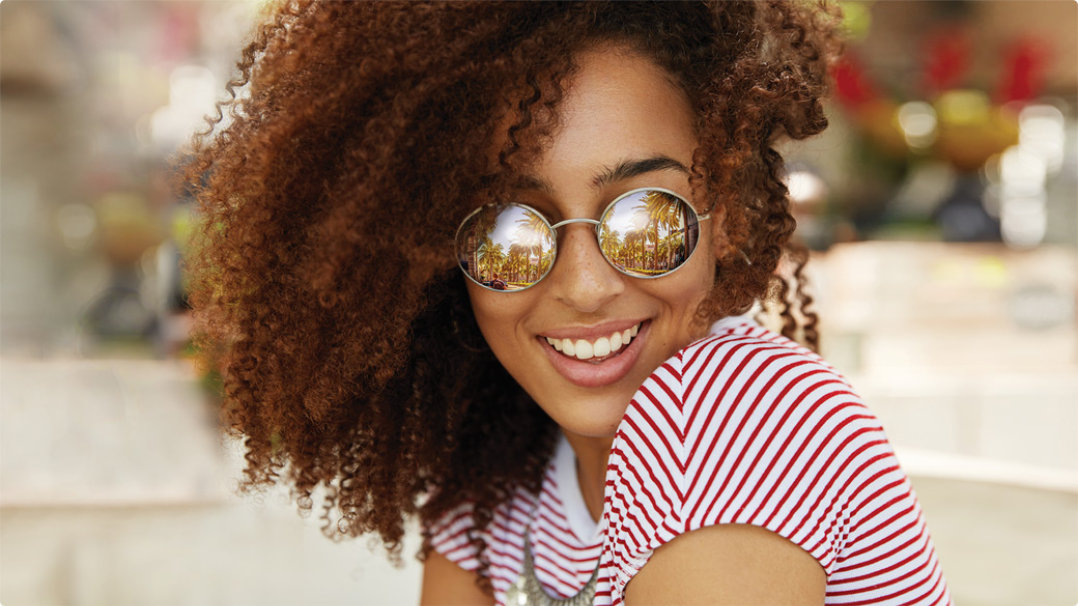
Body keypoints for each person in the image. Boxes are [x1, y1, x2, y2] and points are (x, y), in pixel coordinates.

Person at [186, 2, 950, 604]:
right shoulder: (495, 475)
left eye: (645, 219)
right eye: (510, 233)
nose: (584, 287)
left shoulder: (743, 415)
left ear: (731, 216)